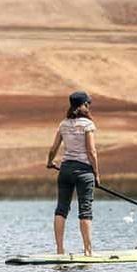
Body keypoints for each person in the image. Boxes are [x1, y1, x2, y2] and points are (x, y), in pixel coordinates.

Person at [46, 91, 101, 256]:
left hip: (65, 170)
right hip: (84, 171)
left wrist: (50, 162)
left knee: (61, 209)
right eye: (87, 104)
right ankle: (87, 251)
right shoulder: (87, 125)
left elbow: (53, 148)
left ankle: (60, 250)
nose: (88, 107)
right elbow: (91, 151)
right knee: (85, 210)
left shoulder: (63, 124)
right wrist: (97, 174)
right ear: (83, 105)